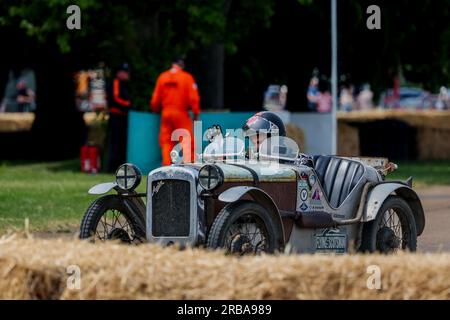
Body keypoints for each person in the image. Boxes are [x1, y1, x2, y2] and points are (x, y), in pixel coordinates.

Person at [151, 58, 200, 165]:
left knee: (166, 142)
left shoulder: (162, 77)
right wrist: (196, 113)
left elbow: (155, 100)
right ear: (182, 66)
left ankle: (166, 168)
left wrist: (156, 110)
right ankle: (190, 165)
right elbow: (194, 99)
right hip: (181, 113)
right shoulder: (187, 77)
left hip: (166, 113)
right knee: (186, 139)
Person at [106, 63, 132, 172]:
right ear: (119, 73)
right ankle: (113, 167)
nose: (127, 75)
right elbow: (115, 98)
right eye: (125, 72)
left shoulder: (124, 85)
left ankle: (120, 166)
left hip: (122, 117)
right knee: (116, 142)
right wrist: (128, 104)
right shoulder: (116, 83)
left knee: (121, 142)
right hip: (116, 116)